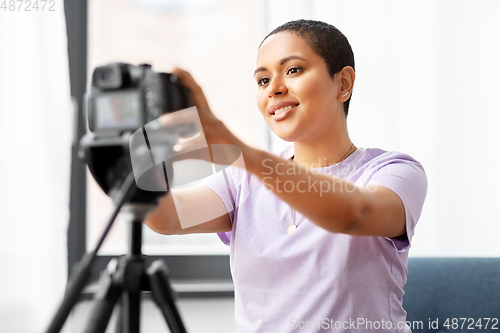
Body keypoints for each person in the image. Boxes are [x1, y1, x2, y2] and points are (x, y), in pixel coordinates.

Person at [145, 19, 427, 333]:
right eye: (263, 80)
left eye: (293, 70)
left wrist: (237, 151)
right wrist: (119, 154)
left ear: (344, 83)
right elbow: (164, 217)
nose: (274, 89)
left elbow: (353, 214)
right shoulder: (242, 179)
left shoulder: (396, 172)